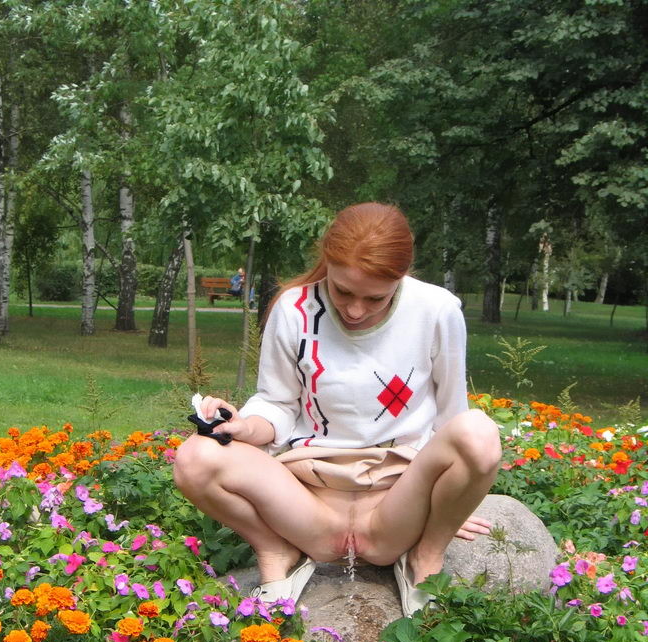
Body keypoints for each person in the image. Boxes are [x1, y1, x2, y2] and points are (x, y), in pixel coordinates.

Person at [174, 203, 502, 616]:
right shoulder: (294, 309)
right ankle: (276, 550)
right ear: (326, 262)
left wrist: (447, 512)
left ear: (401, 277)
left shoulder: (437, 311)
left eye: (375, 298)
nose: (355, 310)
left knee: (479, 433)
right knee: (193, 458)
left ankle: (425, 559)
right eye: (343, 291)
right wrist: (243, 426)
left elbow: (451, 417)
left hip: (394, 507)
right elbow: (277, 403)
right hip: (310, 509)